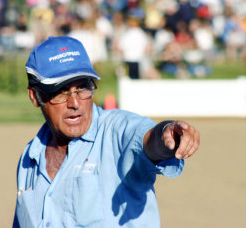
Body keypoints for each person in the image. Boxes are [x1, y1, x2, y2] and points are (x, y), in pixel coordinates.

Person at [13, 36, 200, 227]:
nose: (75, 103)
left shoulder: (115, 131)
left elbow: (146, 138)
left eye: (83, 87)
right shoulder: (29, 158)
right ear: (34, 96)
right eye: (60, 91)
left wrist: (166, 133)